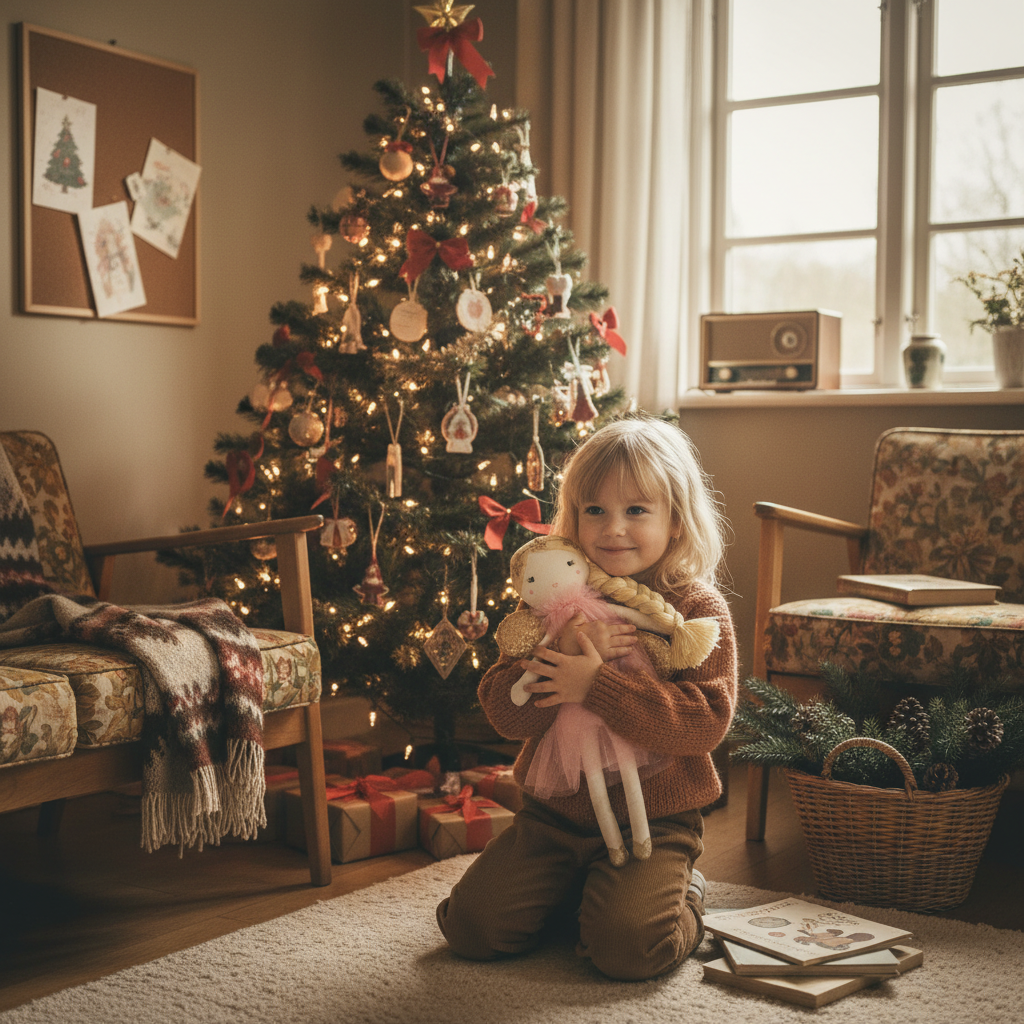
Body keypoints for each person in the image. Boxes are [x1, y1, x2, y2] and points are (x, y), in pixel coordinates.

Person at [436, 415, 737, 981]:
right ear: (570, 519)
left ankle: (685, 896)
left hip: (655, 820)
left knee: (626, 952)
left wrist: (593, 685)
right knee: (469, 927)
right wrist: (561, 656)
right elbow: (503, 711)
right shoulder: (552, 597)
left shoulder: (694, 611)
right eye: (594, 510)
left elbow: (706, 722)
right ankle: (578, 893)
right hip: (555, 819)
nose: (613, 529)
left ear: (675, 522)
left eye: (637, 510)